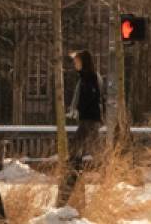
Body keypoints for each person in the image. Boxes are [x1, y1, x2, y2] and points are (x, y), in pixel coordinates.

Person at [57, 51, 104, 206]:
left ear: (84, 62)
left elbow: (92, 99)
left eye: (77, 61)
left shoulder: (90, 78)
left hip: (90, 121)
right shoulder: (85, 78)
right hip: (87, 120)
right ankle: (73, 197)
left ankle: (67, 198)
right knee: (77, 157)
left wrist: (79, 109)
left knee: (77, 156)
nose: (75, 64)